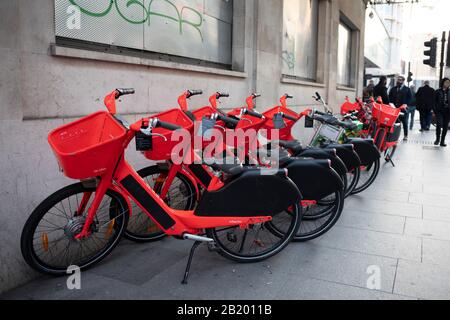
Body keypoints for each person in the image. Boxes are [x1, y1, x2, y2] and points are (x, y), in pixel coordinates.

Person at [388, 76, 412, 140]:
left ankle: (405, 135)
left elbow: (410, 98)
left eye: (400, 80)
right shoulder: (393, 89)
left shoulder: (407, 89)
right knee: (394, 123)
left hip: (403, 109)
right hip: (394, 109)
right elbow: (389, 97)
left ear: (403, 81)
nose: (398, 81)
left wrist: (406, 104)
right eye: (398, 80)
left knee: (404, 122)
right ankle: (394, 136)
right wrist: (390, 104)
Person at [434, 78, 450, 147]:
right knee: (439, 124)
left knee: (445, 127)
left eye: (448, 82)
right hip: (439, 111)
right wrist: (434, 110)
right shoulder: (438, 91)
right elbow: (434, 102)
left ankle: (442, 141)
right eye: (446, 82)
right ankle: (437, 139)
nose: (447, 84)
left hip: (448, 111)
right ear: (443, 83)